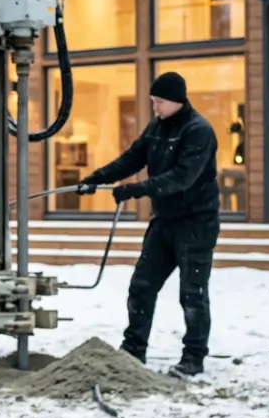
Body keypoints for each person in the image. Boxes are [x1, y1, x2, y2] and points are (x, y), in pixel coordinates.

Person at [77, 71, 220, 379]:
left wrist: (135, 190)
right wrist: (97, 178)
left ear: (176, 101)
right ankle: (133, 350)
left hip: (196, 223)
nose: (154, 108)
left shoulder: (198, 131)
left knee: (192, 294)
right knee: (141, 286)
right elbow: (131, 159)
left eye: (159, 102)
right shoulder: (156, 128)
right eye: (153, 102)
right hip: (164, 222)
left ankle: (193, 357)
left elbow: (183, 178)